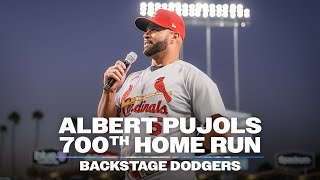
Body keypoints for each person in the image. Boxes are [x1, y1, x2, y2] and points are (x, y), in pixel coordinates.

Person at [98, 9, 227, 180]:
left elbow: (220, 130)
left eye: (155, 29)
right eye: (146, 30)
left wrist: (186, 152)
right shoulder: (131, 79)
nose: (146, 34)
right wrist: (109, 91)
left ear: (175, 37)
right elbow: (105, 126)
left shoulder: (191, 76)